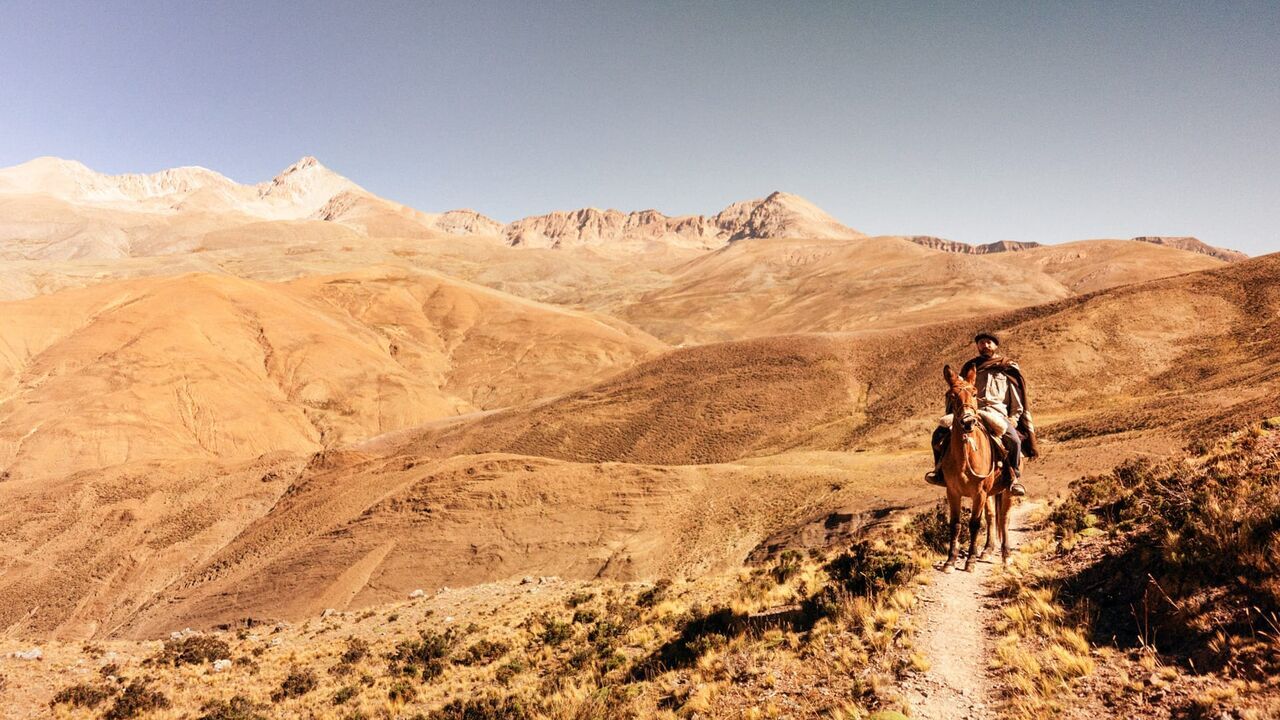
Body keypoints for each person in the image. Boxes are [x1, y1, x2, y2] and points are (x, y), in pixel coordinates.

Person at [924, 331, 1038, 496]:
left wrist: (1013, 419)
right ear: (977, 346)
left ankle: (1014, 478)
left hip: (997, 413)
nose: (985, 345)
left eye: (988, 342)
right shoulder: (970, 367)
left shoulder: (1007, 367)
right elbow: (959, 390)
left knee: (1013, 440)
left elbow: (1017, 400)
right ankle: (939, 471)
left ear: (995, 345)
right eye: (981, 343)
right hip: (970, 410)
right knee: (939, 434)